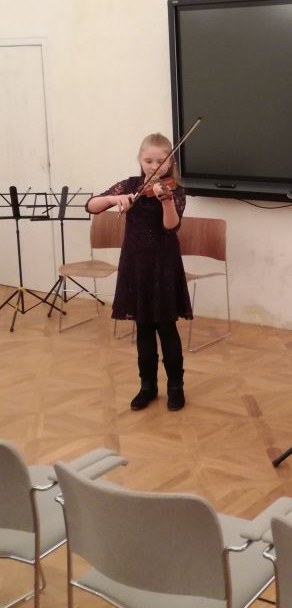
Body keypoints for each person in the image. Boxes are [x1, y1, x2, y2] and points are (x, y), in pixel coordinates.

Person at [86, 133, 192, 411]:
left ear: (170, 162)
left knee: (166, 328)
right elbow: (91, 205)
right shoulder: (130, 185)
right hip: (135, 265)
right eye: (148, 160)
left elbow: (170, 226)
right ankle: (148, 386)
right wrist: (114, 198)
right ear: (140, 159)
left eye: (160, 161)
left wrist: (166, 201)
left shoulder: (174, 191)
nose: (154, 166)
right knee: (143, 329)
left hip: (164, 265)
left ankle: (176, 387)